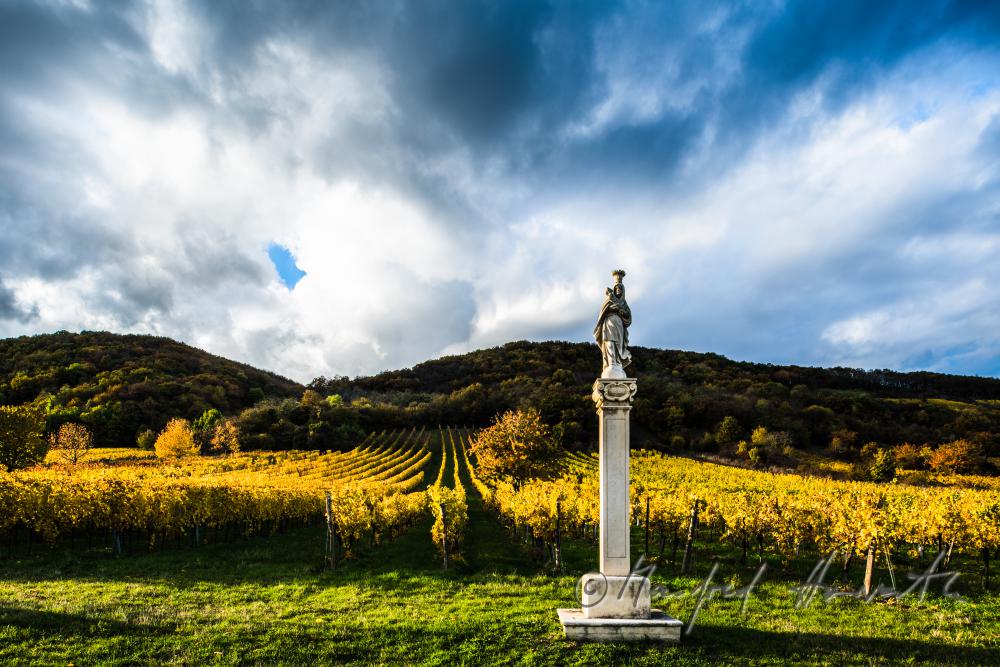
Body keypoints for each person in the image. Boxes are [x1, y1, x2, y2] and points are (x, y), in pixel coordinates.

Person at [594, 270, 632, 378]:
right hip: (609, 322)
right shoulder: (609, 300)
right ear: (614, 290)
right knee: (609, 342)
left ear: (623, 290)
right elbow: (603, 311)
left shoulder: (624, 303)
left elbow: (629, 317)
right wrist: (612, 308)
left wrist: (623, 312)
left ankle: (617, 363)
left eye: (620, 288)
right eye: (617, 288)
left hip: (619, 325)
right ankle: (611, 363)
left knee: (618, 345)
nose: (618, 290)